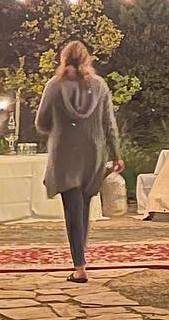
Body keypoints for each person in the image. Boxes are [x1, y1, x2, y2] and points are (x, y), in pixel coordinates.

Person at [35, 40, 123, 282]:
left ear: (63, 59)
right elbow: (109, 123)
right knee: (83, 209)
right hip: (93, 153)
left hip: (65, 154)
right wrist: (116, 154)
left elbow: (41, 122)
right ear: (87, 59)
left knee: (72, 210)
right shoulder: (100, 86)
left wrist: (57, 127)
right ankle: (80, 261)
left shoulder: (54, 86)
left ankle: (79, 266)